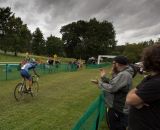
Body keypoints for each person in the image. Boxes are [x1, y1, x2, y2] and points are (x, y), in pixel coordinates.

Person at [92, 55, 134, 130]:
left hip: (119, 108)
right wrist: (103, 78)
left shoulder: (124, 74)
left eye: (113, 63)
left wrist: (100, 83)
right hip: (117, 107)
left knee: (116, 127)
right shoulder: (123, 73)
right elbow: (114, 83)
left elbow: (112, 88)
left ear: (118, 64)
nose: (112, 65)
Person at [126, 44, 160, 130]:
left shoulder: (156, 82)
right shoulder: (150, 78)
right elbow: (132, 95)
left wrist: (136, 98)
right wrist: (138, 100)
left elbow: (130, 99)